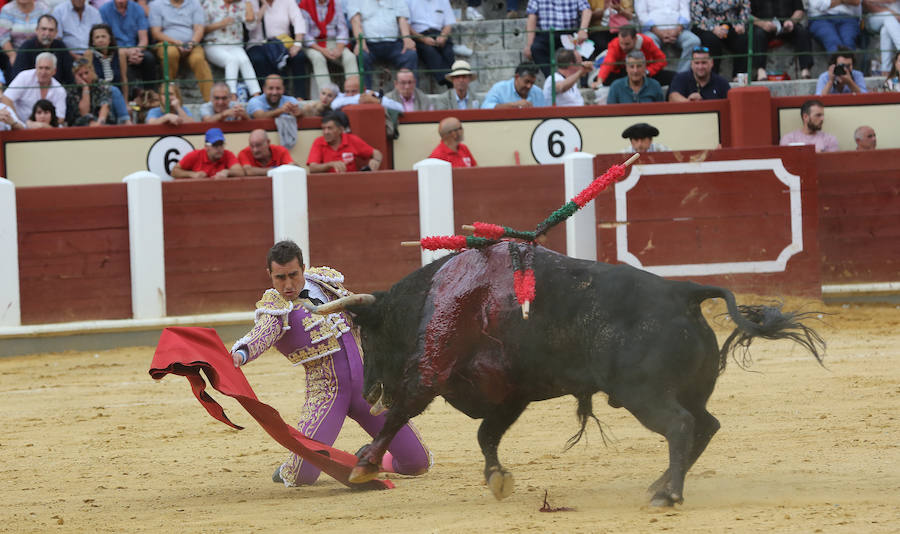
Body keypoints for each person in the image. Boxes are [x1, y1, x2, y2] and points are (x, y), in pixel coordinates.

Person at [230, 240, 432, 487]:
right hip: (327, 395)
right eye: (280, 278)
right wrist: (241, 353)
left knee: (417, 463)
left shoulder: (325, 283)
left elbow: (360, 312)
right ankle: (288, 467)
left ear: (303, 268)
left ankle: (373, 458)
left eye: (293, 275)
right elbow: (260, 335)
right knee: (303, 476)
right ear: (269, 275)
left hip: (367, 390)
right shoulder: (276, 308)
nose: (288, 284)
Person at [149, 0, 214, 101]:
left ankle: (211, 101)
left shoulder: (195, 3)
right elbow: (156, 33)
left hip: (191, 43)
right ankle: (170, 98)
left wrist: (191, 43)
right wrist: (175, 42)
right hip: (167, 42)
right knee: (170, 53)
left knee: (198, 59)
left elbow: (199, 29)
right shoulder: (156, 4)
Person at [245, 0, 309, 99]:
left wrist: (297, 43)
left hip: (282, 43)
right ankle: (264, 97)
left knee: (299, 57)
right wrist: (263, 6)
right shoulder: (251, 2)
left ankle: (300, 97)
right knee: (258, 59)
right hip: (258, 43)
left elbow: (298, 20)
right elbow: (250, 25)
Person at [348, 0, 418, 88]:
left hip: (394, 44)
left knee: (410, 54)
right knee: (362, 56)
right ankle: (366, 95)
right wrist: (360, 42)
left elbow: (402, 19)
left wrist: (407, 38)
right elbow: (355, 21)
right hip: (369, 45)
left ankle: (410, 94)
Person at [201, 0, 261, 100]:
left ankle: (256, 95)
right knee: (232, 60)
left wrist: (248, 3)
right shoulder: (209, 3)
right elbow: (201, 29)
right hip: (213, 43)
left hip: (234, 44)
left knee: (244, 60)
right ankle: (232, 96)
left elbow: (251, 24)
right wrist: (220, 24)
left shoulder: (241, 4)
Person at [691, 0, 761, 81]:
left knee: (742, 38)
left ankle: (739, 77)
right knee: (712, 41)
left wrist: (741, 24)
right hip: (705, 26)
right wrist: (713, 28)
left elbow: (745, 7)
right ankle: (712, 78)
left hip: (732, 23)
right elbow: (696, 15)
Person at [99, 0, 158, 97]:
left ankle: (149, 94)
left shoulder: (137, 8)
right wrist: (126, 52)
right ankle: (128, 96)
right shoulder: (104, 10)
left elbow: (144, 39)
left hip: (135, 48)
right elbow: (104, 39)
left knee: (149, 58)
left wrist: (136, 51)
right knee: (120, 61)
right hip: (114, 50)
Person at [298, 0, 357, 92]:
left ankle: (354, 92)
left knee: (350, 57)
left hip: (332, 41)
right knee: (318, 58)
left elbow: (342, 29)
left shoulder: (336, 3)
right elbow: (305, 34)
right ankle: (327, 94)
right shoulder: (304, 4)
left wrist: (339, 48)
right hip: (312, 44)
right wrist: (322, 50)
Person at [523, 0, 592, 76]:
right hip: (547, 34)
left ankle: (583, 82)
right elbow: (532, 17)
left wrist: (583, 30)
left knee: (585, 48)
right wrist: (529, 44)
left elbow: (587, 10)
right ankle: (553, 79)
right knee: (536, 48)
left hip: (570, 33)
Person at [750, 0, 813, 80]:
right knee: (758, 35)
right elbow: (747, 14)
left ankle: (805, 70)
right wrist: (763, 24)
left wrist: (792, 21)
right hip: (763, 26)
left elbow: (799, 11)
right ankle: (760, 71)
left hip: (787, 25)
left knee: (802, 32)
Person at [591, 25, 672, 87]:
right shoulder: (615, 44)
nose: (623, 47)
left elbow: (661, 60)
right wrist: (600, 80)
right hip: (623, 73)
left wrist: (648, 71)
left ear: (635, 39)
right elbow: (608, 63)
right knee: (602, 79)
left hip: (645, 73)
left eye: (627, 44)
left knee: (672, 77)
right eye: (621, 43)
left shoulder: (647, 42)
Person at [307, 110, 382, 173]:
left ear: (340, 130)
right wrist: (330, 164)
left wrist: (376, 161)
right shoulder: (319, 142)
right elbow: (312, 168)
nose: (326, 132)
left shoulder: (352, 140)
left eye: (330, 128)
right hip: (327, 185)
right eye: (323, 129)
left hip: (352, 184)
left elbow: (377, 153)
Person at [635, 0, 701, 72]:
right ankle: (656, 75)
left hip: (678, 30)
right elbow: (641, 13)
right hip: (653, 31)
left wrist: (677, 29)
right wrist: (658, 31)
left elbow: (685, 11)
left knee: (693, 41)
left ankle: (681, 76)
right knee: (649, 42)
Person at [65, 56, 132, 125]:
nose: (84, 77)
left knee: (114, 90)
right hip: (82, 123)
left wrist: (100, 122)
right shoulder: (72, 90)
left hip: (101, 121)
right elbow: (84, 113)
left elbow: (105, 104)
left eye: (86, 73)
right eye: (80, 75)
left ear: (92, 71)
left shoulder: (101, 84)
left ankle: (126, 123)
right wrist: (85, 88)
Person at [11, 14, 75, 86]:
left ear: (56, 32)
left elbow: (68, 75)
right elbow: (18, 77)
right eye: (44, 29)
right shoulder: (27, 47)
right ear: (37, 30)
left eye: (51, 30)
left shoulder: (60, 46)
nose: (47, 33)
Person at [2, 52, 65, 122]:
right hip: (19, 127)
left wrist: (44, 127)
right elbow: (6, 99)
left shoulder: (59, 90)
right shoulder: (24, 77)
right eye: (40, 68)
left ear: (54, 71)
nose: (43, 72)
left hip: (47, 128)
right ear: (36, 67)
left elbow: (60, 117)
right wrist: (18, 123)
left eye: (47, 68)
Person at [407, 0, 456, 88]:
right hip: (418, 35)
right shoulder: (409, 1)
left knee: (448, 52)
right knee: (429, 51)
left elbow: (448, 23)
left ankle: (452, 79)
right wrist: (423, 39)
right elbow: (407, 26)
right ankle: (450, 81)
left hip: (439, 33)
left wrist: (443, 36)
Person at [0, 0, 51, 83]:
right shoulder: (7, 9)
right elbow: (3, 36)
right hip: (16, 52)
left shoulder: (43, 8)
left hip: (40, 51)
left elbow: (50, 30)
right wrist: (12, 55)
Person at [171, 127, 244, 179]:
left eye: (221, 144)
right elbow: (174, 172)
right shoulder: (195, 155)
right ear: (206, 147)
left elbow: (240, 172)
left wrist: (227, 172)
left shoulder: (227, 154)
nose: (219, 148)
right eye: (215, 145)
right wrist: (192, 174)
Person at [330, 74, 404, 112]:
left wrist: (376, 101)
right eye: (347, 91)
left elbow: (400, 108)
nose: (349, 95)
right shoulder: (342, 97)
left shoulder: (372, 94)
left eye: (354, 91)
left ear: (364, 89)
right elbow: (334, 105)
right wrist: (360, 98)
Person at [864, 0, 900, 74]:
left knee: (885, 31)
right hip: (875, 17)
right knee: (888, 16)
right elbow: (865, 3)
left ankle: (886, 70)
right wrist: (890, 11)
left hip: (896, 20)